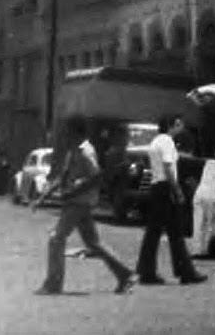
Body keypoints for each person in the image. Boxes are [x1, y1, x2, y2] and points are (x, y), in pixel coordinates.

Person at [33, 115, 135, 296]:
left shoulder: (86, 152)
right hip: (76, 202)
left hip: (79, 202)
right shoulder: (74, 150)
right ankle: (125, 274)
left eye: (66, 131)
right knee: (94, 243)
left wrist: (75, 191)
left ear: (74, 131)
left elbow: (96, 177)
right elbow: (63, 176)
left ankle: (53, 284)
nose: (63, 134)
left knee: (56, 238)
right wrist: (44, 196)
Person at [134, 114, 207, 286]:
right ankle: (184, 271)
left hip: (157, 187)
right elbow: (168, 167)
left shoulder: (155, 142)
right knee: (174, 231)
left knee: (155, 231)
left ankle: (147, 270)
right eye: (179, 124)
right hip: (166, 187)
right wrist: (177, 189)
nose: (181, 128)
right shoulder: (167, 142)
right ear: (172, 125)